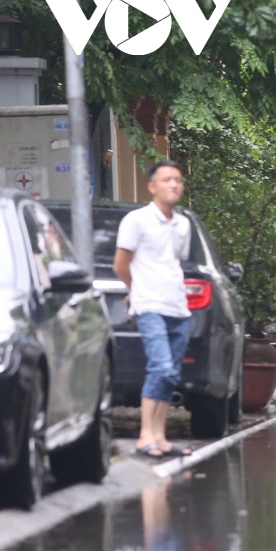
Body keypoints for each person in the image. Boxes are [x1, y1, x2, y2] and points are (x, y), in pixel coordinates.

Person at [113, 161, 194, 459]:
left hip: (178, 308)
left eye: (178, 180)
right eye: (167, 180)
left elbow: (176, 262)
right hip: (148, 306)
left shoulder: (183, 224)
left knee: (171, 374)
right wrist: (136, 290)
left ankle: (160, 437)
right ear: (152, 186)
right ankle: (145, 436)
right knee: (160, 367)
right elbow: (121, 265)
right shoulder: (136, 220)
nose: (173, 185)